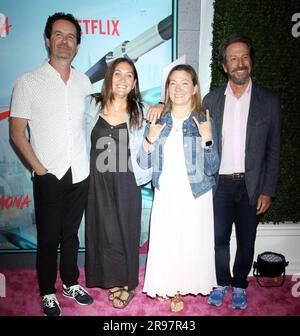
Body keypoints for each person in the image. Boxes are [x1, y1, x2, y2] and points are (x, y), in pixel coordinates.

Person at [10, 12, 93, 316]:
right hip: (48, 174)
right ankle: (47, 291)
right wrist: (40, 171)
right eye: (58, 34)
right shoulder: (28, 81)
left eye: (71, 36)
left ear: (77, 45)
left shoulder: (85, 82)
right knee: (48, 237)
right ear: (47, 40)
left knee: (71, 234)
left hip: (80, 171)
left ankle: (70, 282)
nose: (64, 41)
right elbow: (16, 133)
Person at [203, 35, 281, 309]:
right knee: (219, 240)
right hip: (219, 186)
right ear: (224, 66)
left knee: (247, 240)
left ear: (251, 62)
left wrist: (268, 190)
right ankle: (221, 281)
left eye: (245, 57)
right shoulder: (211, 100)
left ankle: (239, 285)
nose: (240, 63)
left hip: (252, 186)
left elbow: (274, 149)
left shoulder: (269, 101)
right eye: (233, 58)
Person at [137, 64, 219, 313]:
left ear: (195, 88)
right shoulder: (158, 119)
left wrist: (207, 139)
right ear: (167, 89)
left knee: (189, 242)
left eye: (185, 82)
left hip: (196, 193)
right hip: (166, 192)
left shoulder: (204, 119)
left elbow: (214, 165)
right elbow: (142, 162)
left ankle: (180, 289)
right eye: (173, 82)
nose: (179, 88)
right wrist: (150, 138)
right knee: (167, 242)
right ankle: (170, 287)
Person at [84, 57, 152, 309]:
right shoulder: (91, 105)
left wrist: (162, 104)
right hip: (97, 180)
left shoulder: (142, 109)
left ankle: (127, 282)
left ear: (134, 83)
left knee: (126, 230)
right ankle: (112, 280)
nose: (123, 80)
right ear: (109, 78)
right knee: (103, 231)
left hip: (127, 179)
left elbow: (170, 107)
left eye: (129, 75)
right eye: (118, 74)